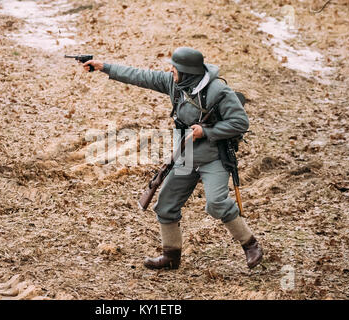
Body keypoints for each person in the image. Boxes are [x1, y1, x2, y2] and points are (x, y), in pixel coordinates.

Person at [82, 47, 263, 270]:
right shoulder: (175, 84)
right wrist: (104, 67)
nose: (170, 71)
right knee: (165, 206)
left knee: (216, 203)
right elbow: (141, 76)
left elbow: (240, 123)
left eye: (174, 68)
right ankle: (171, 256)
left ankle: (250, 244)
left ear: (187, 72)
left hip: (214, 156)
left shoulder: (219, 90)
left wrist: (206, 132)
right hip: (185, 155)